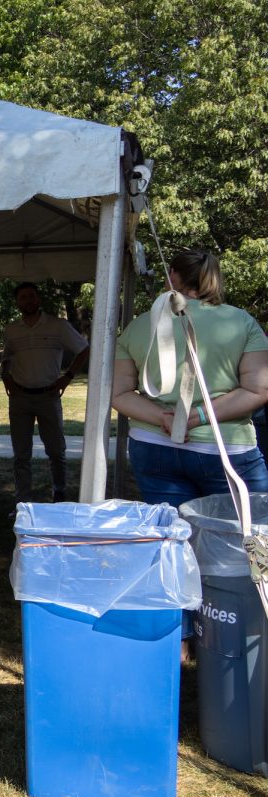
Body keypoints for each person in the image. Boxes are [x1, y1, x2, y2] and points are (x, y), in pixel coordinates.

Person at [112, 249, 268, 660]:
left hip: (155, 447)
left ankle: (181, 637)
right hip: (225, 447)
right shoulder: (242, 322)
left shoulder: (139, 325)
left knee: (171, 542)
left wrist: (167, 418)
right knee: (247, 540)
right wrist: (197, 416)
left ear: (173, 277)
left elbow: (120, 394)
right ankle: (244, 629)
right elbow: (257, 391)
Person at [1, 282, 89, 508]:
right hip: (19, 397)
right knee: (21, 454)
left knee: (56, 451)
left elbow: (84, 349)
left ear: (38, 299)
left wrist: (67, 376)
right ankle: (23, 502)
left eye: (31, 296)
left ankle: (59, 496)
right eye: (23, 297)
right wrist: (6, 376)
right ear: (17, 302)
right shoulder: (11, 330)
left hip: (48, 396)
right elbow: (7, 359)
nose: (27, 301)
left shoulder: (57, 326)